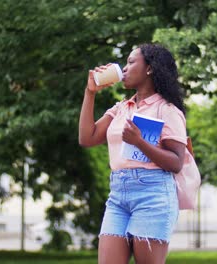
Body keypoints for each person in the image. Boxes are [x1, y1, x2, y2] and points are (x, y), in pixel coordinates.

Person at [79, 43, 187, 264]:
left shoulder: (166, 110)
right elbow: (87, 138)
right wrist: (90, 92)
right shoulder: (121, 107)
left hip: (153, 194)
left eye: (130, 62)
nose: (124, 69)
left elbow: (176, 162)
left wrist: (139, 142)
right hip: (118, 195)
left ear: (149, 69)